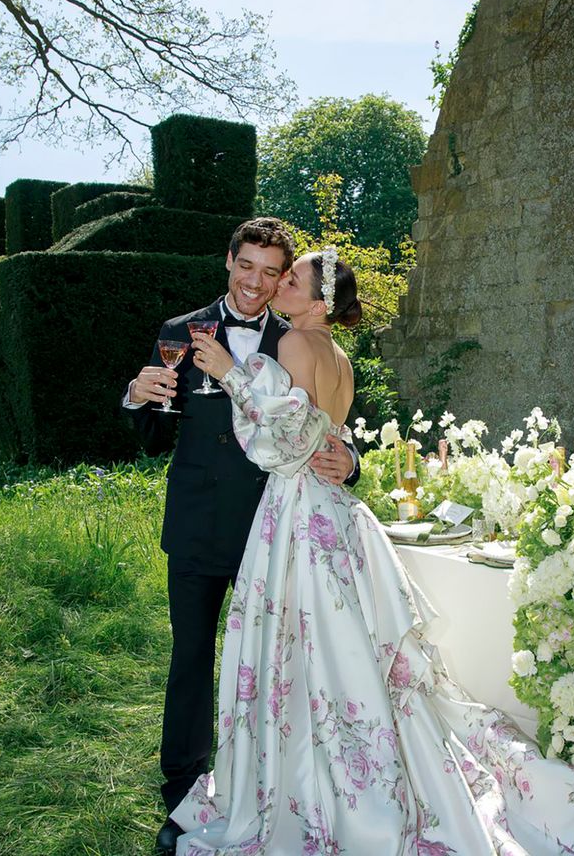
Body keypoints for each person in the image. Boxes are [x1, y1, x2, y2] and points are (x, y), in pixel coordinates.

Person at [172, 248, 574, 855]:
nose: (278, 286)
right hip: (336, 518)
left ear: (318, 303)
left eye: (289, 280)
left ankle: (316, 787)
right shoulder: (338, 355)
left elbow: (285, 439)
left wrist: (231, 374)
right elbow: (326, 431)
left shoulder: (294, 345)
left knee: (304, 652)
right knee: (344, 654)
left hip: (298, 516)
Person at [122, 219, 360, 856]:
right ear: (228, 261)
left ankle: (265, 775)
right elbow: (151, 434)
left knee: (274, 663)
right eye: (246, 266)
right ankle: (183, 783)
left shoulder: (297, 334)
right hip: (198, 522)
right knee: (192, 656)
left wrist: (352, 460)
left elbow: (319, 423)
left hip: (273, 531)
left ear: (287, 278)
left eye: (270, 271)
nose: (257, 283)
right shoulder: (180, 332)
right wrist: (137, 397)